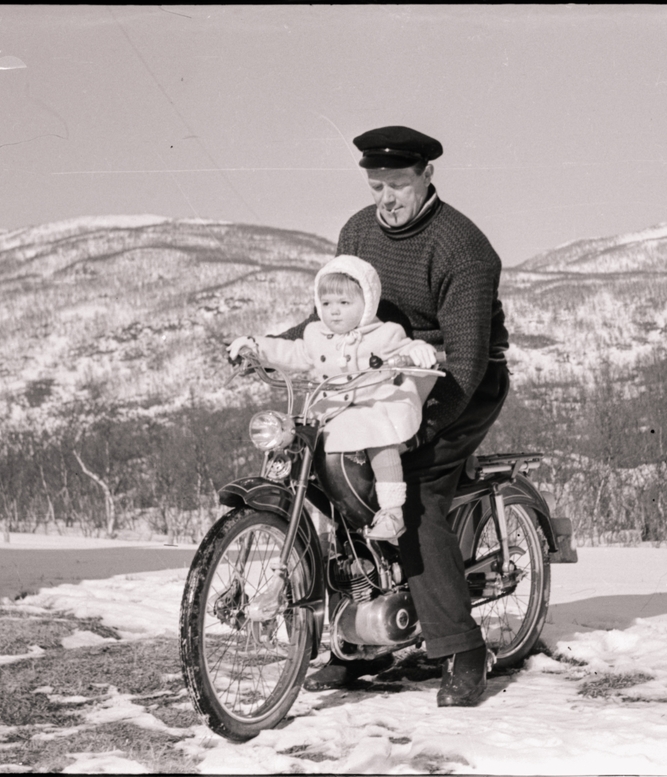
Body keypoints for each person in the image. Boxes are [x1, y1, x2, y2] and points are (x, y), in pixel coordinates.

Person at [265, 125, 511, 708]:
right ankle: (361, 640)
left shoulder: (463, 247)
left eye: (397, 184)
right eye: (377, 185)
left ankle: (462, 649)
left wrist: (423, 430)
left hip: (456, 382)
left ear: (427, 177)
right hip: (374, 380)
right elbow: (331, 317)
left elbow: (470, 361)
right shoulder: (357, 230)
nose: (386, 198)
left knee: (418, 492)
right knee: (332, 478)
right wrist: (270, 347)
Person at [227, 254, 438, 541]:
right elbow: (293, 352)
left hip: (373, 405)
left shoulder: (385, 333)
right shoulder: (316, 334)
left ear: (367, 303)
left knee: (380, 440)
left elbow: (405, 348)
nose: (334, 312)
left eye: (344, 303)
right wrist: (255, 348)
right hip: (330, 410)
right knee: (300, 444)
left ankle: (392, 511)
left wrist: (418, 351)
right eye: (325, 304)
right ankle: (327, 522)